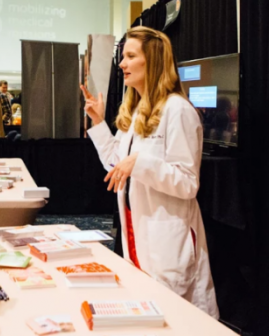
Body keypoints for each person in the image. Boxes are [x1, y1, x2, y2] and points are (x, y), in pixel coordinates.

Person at [81, 26, 219, 318]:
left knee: (178, 318)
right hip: (137, 231)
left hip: (168, 236)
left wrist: (139, 163)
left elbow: (187, 183)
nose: (122, 64)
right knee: (151, 314)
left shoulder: (178, 111)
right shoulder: (138, 111)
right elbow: (116, 165)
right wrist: (97, 122)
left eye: (130, 56)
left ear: (152, 61)